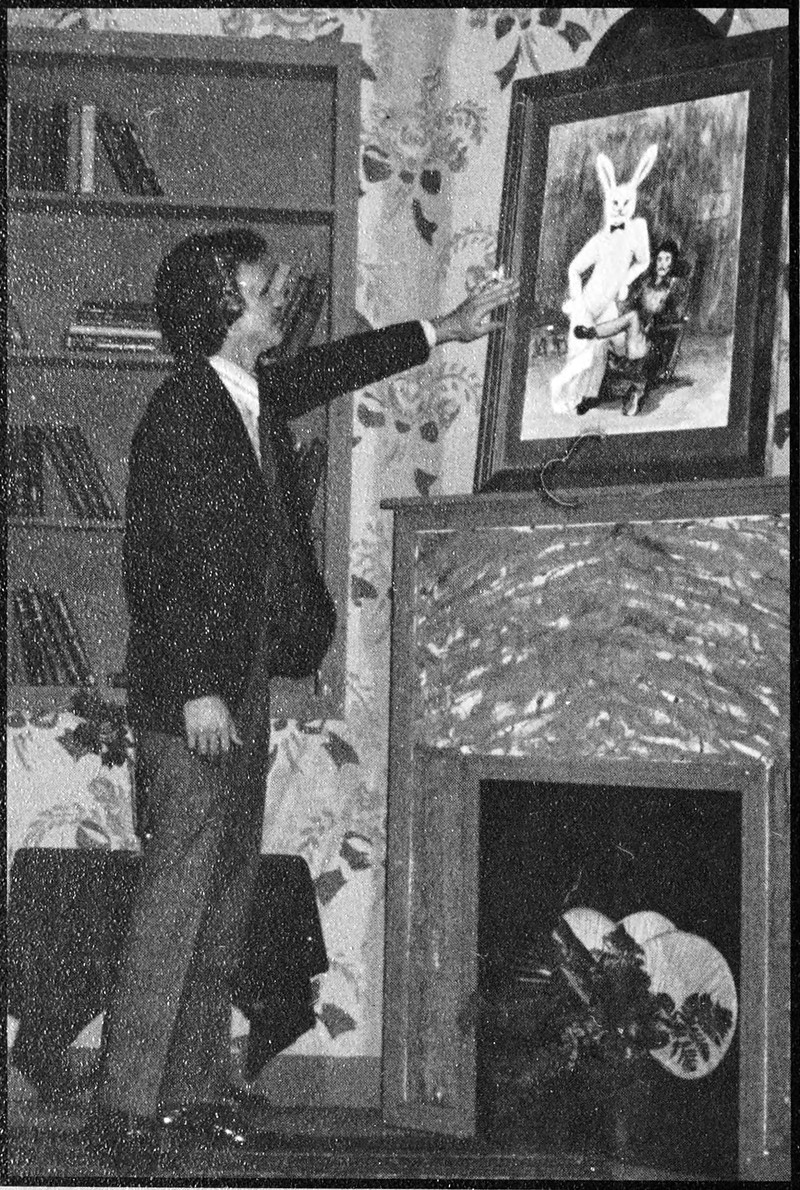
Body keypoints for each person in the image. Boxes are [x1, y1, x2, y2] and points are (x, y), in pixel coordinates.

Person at [93, 226, 518, 1173]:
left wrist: (445, 326)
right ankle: (124, 1107)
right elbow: (157, 565)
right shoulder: (182, 409)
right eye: (263, 288)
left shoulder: (244, 394)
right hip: (194, 694)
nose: (280, 296)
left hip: (237, 680)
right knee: (178, 898)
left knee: (223, 895)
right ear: (223, 311)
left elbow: (336, 367)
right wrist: (199, 691)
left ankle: (190, 1095)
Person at [573, 239, 687, 417]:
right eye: (659, 259)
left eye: (667, 259)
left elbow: (675, 318)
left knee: (633, 317)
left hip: (652, 345)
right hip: (634, 339)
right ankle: (591, 396)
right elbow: (630, 307)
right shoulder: (646, 284)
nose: (662, 264)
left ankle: (592, 332)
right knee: (602, 342)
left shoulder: (674, 288)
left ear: (673, 262)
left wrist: (654, 322)